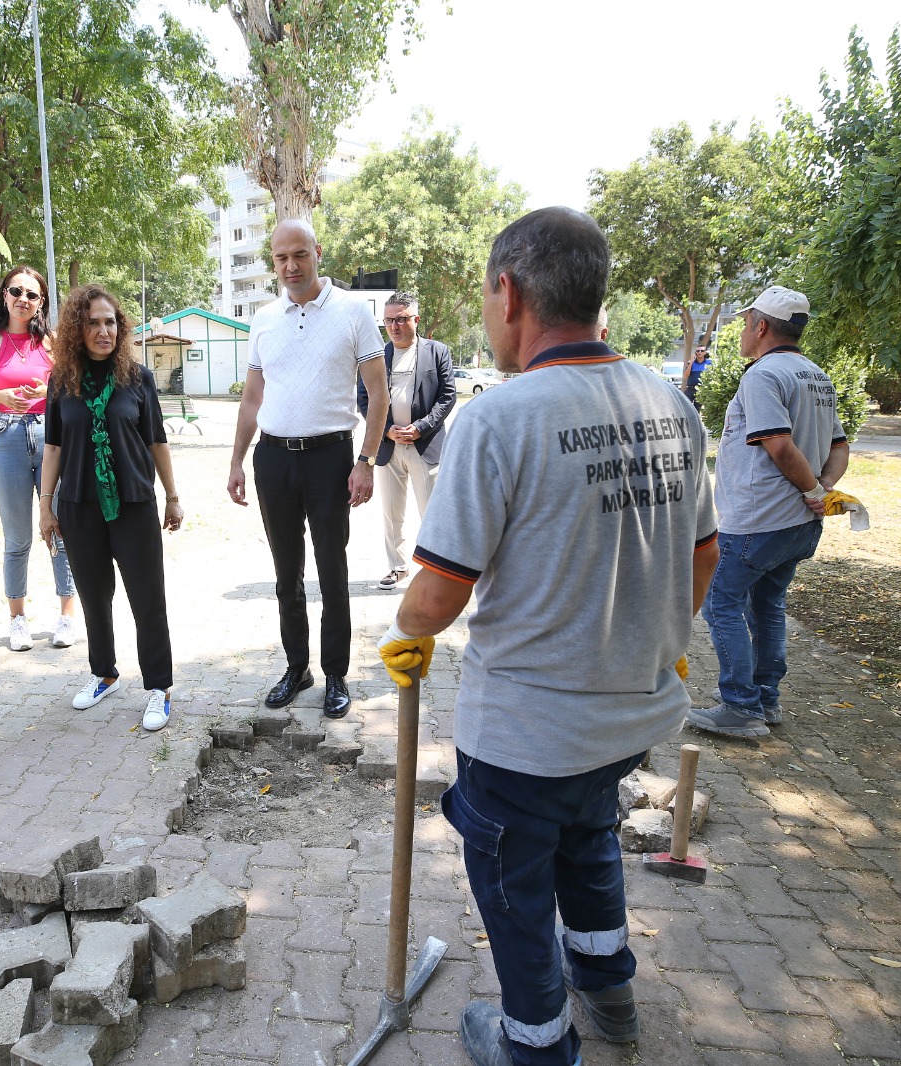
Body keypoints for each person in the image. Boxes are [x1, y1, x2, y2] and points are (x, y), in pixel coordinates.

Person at [376, 207, 719, 1066]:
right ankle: (610, 995)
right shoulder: (670, 405)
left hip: (526, 735)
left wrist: (406, 630)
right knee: (589, 840)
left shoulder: (503, 417)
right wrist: (664, 635)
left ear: (510, 291)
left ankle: (534, 1043)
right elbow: (704, 555)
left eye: (486, 297)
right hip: (626, 719)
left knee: (515, 889)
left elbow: (440, 593)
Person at [227, 218, 389, 719]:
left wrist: (365, 461)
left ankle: (336, 674)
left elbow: (378, 393)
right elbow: (253, 396)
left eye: (300, 254)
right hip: (273, 459)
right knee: (285, 573)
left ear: (318, 252)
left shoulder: (353, 313)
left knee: (332, 570)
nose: (291, 266)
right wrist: (236, 458)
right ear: (272, 262)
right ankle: (297, 668)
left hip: (330, 458)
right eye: (281, 258)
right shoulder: (263, 319)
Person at [688, 286, 848, 738]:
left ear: (761, 326)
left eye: (744, 323)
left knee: (721, 602)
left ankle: (740, 706)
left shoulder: (763, 375)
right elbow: (840, 445)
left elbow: (777, 445)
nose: (741, 332)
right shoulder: (816, 375)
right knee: (768, 604)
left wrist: (815, 488)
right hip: (797, 523)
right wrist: (823, 489)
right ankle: (765, 699)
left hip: (759, 519)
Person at [39, 284, 183, 732]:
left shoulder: (136, 378)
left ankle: (159, 687)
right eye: (93, 322)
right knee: (94, 596)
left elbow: (156, 439)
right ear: (77, 329)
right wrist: (46, 506)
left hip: (134, 501)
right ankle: (104, 673)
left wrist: (172, 495)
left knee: (147, 597)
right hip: (80, 504)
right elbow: (54, 446)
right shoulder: (61, 380)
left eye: (111, 322)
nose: (104, 331)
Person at [0, 265, 79, 651]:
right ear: (4, 294)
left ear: (41, 301)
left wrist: (48, 386)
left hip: (50, 439)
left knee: (60, 529)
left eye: (32, 294)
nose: (23, 300)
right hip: (6, 438)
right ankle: (18, 620)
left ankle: (66, 616)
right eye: (16, 291)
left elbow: (73, 387)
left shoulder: (51, 342)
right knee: (17, 539)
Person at [357, 291, 457, 591]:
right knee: (391, 513)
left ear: (416, 319)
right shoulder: (377, 357)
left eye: (401, 319)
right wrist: (385, 429)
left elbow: (447, 396)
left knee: (432, 511)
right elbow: (364, 398)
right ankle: (397, 568)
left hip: (425, 446)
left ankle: (437, 570)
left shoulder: (437, 352)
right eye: (388, 320)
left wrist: (421, 427)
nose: (394, 326)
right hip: (388, 448)